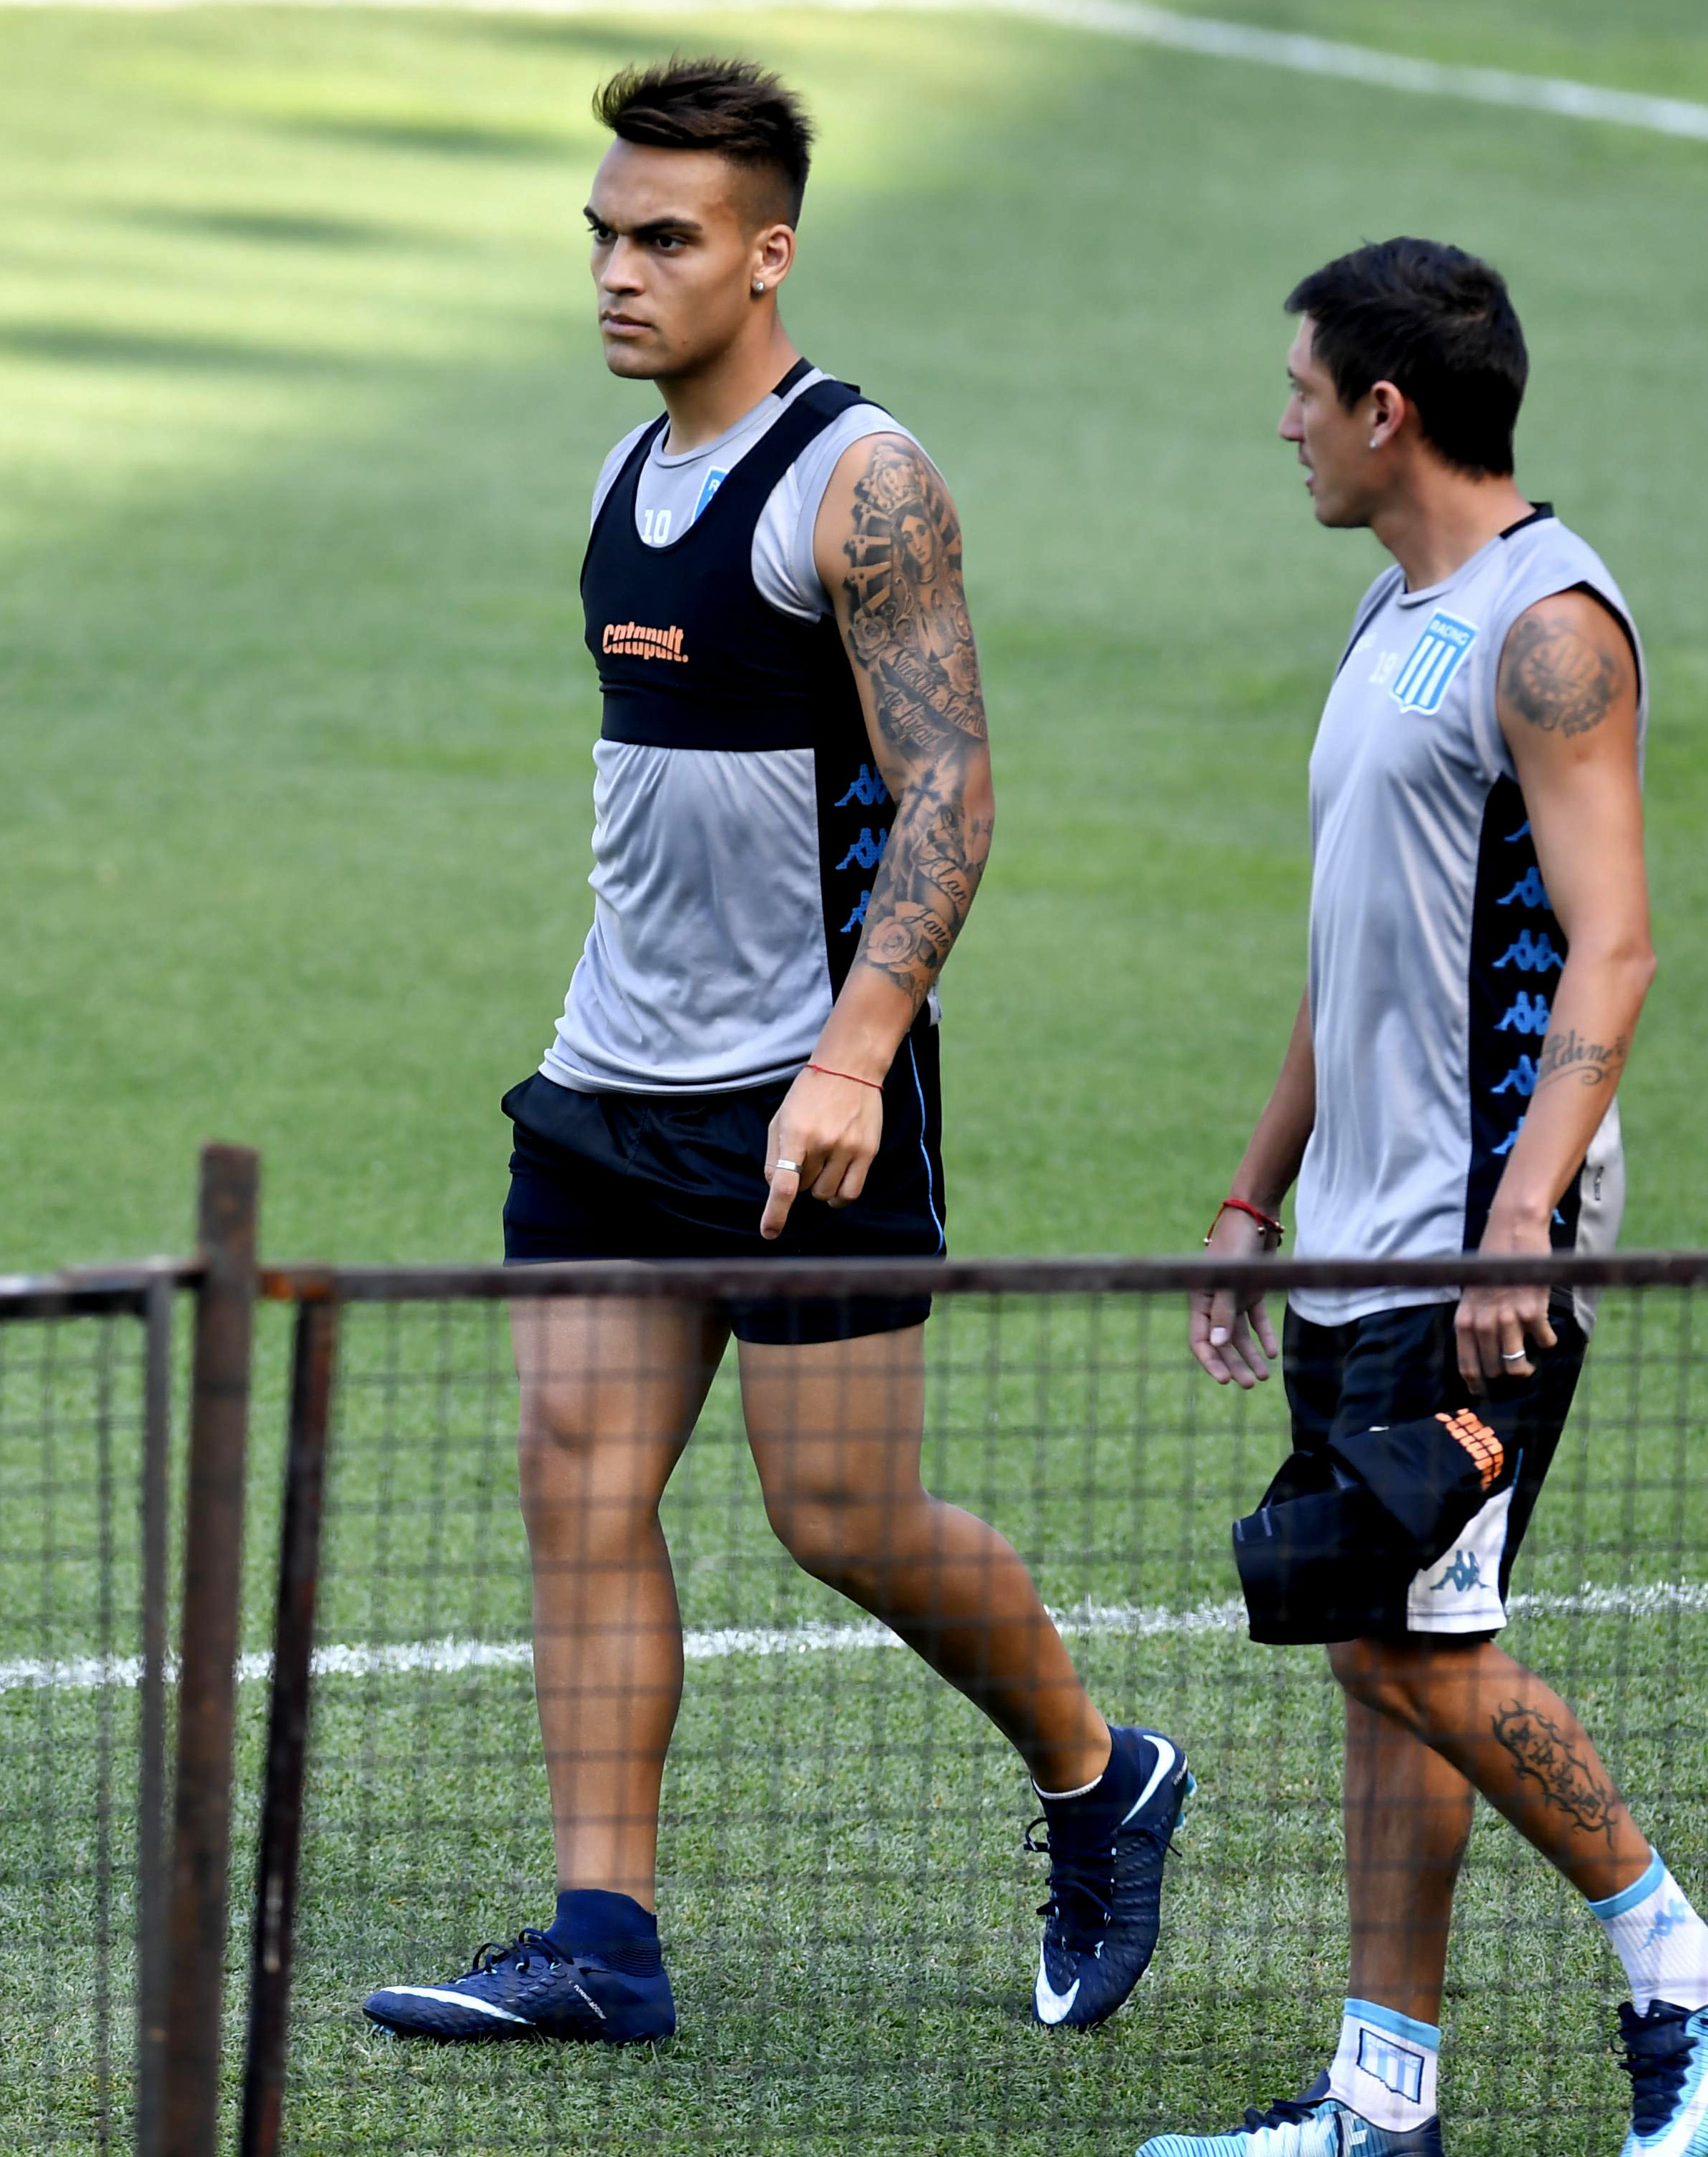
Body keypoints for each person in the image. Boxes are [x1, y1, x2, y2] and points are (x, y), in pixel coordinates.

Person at [360, 54, 1186, 2048]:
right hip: (604, 1087)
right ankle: (604, 1941)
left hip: (806, 1096)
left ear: (769, 254)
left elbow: (951, 792)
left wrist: (852, 1056)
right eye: (603, 234)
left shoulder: (861, 482)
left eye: (665, 239)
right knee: (576, 1480)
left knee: (840, 1519)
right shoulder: (619, 478)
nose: (616, 272)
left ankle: (1102, 1775)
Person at [1143, 242, 1708, 2157]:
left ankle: (1684, 1966)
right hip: (1361, 1234)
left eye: (1303, 391)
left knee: (1394, 1639)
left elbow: (1615, 945)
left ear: (1386, 408)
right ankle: (1381, 2094)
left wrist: (1523, 1223)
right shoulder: (1391, 610)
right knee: (1393, 1655)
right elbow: (1356, 953)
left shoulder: (1548, 626)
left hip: (1478, 1245)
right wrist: (1254, 1196)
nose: (1285, 424)